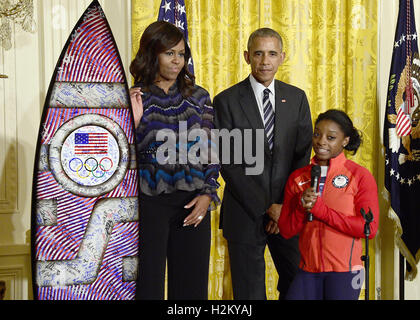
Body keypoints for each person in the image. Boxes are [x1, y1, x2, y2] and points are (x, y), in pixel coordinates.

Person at [213, 28, 313, 299]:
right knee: (249, 293)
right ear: (247, 56)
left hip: (287, 211)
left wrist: (283, 205)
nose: (265, 61)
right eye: (258, 53)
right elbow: (228, 163)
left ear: (282, 56)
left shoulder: (297, 98)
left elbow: (302, 156)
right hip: (245, 212)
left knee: (299, 283)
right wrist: (266, 208)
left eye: (271, 54)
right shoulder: (226, 101)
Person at [129, 21, 219, 300]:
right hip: (147, 204)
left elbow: (212, 152)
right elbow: (118, 160)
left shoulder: (199, 97)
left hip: (192, 203)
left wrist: (208, 193)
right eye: (169, 53)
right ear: (152, 54)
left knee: (191, 290)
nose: (177, 60)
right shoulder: (133, 97)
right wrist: (131, 121)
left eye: (181, 53)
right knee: (147, 287)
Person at [276, 109, 379, 300]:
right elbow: (286, 231)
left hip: (344, 272)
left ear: (345, 141)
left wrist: (322, 211)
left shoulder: (359, 176)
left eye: (331, 137)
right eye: (317, 134)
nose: (321, 141)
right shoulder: (298, 177)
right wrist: (300, 206)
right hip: (308, 270)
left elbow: (369, 228)